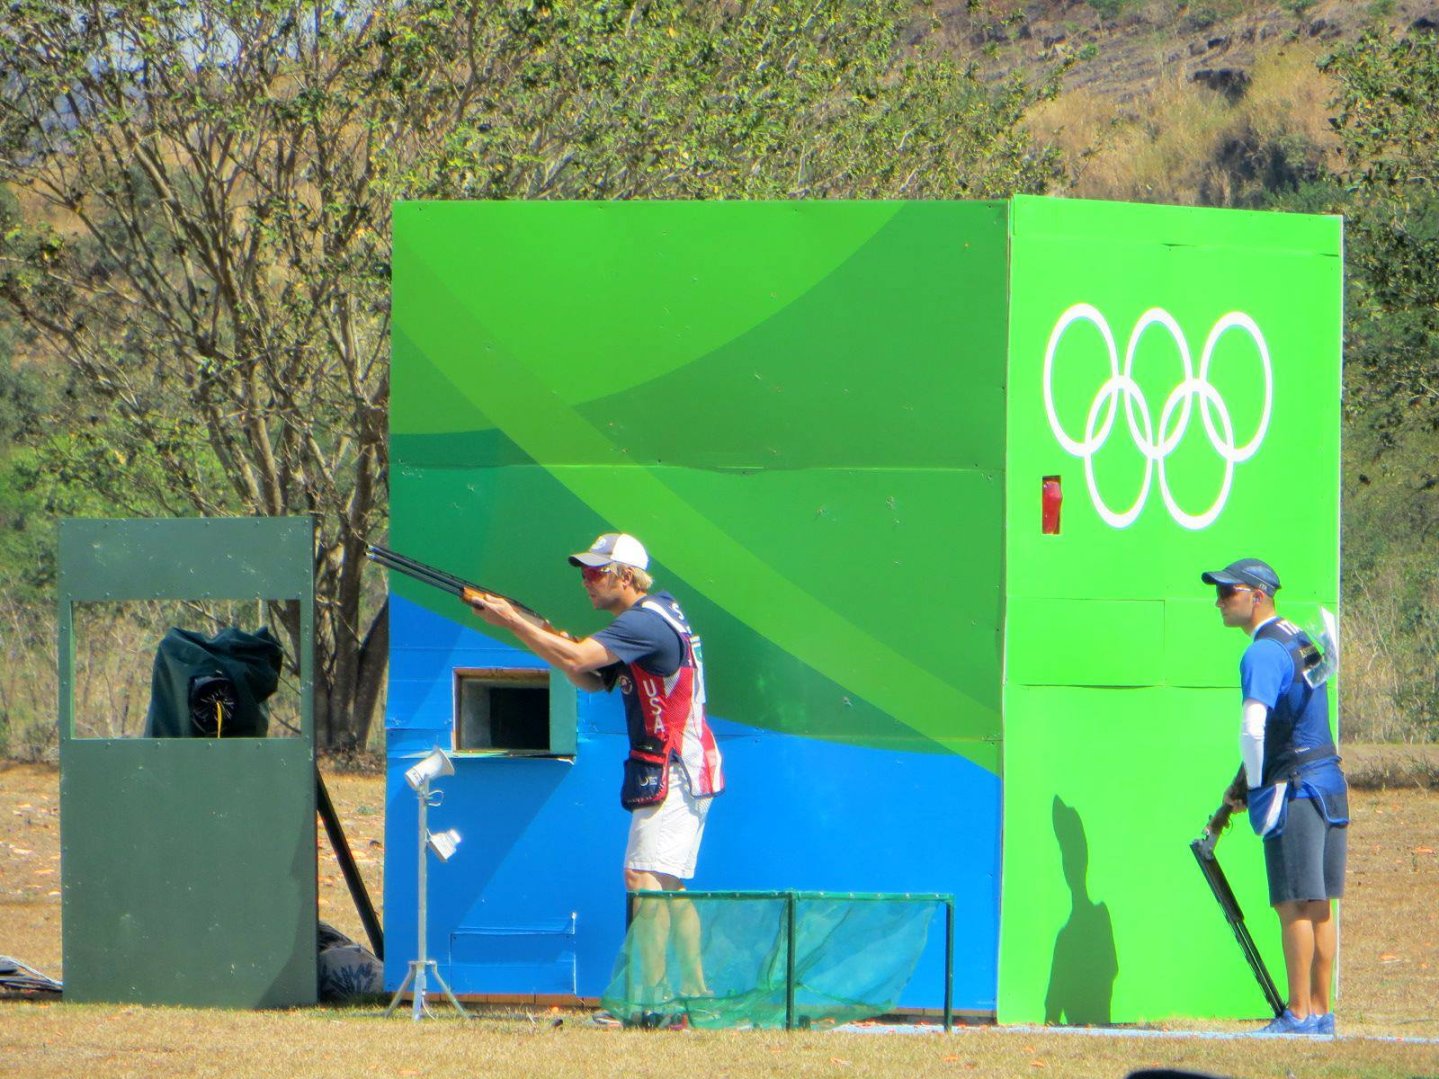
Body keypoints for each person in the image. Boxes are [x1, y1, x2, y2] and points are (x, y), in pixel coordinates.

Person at [466, 531, 725, 1006]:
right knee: (666, 882)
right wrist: (530, 631)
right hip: (684, 763)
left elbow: (579, 657)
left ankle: (649, 999)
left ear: (627, 576)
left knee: (642, 877)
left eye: (596, 571)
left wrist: (512, 622)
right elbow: (586, 677)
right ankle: (694, 993)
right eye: (584, 572)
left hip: (677, 765)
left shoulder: (644, 623)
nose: (586, 581)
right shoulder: (650, 617)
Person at [1202, 558, 1348, 1037]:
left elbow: (1254, 728)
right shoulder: (1299, 638)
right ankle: (1321, 1014)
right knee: (1320, 904)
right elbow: (1293, 720)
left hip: (1296, 789)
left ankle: (1300, 1014)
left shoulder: (1261, 653)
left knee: (1294, 906)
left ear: (1257, 595)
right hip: (1328, 783)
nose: (1220, 601)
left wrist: (1256, 782)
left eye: (1229, 592)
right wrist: (1241, 783)